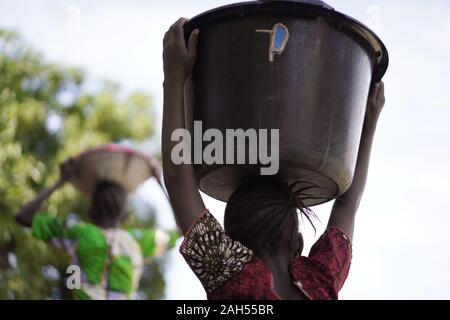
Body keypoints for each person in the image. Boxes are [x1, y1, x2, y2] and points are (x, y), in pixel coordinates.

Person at [162, 18, 385, 300]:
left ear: (232, 245)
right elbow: (347, 201)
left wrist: (173, 78)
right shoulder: (320, 281)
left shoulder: (231, 276)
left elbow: (178, 181)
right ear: (298, 244)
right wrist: (366, 120)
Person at [15, 157, 179, 300]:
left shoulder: (77, 233)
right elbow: (182, 229)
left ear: (90, 210)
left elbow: (24, 217)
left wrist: (61, 180)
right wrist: (159, 181)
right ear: (126, 215)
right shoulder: (138, 241)